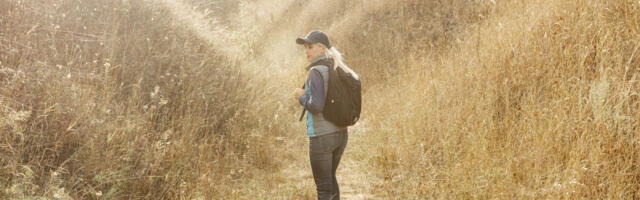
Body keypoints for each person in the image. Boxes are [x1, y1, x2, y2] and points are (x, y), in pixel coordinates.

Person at [293, 30, 353, 200]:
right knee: (330, 181)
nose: (306, 51)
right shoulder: (336, 66)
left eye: (310, 47)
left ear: (322, 48)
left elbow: (316, 105)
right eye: (305, 48)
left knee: (323, 189)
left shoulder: (316, 71)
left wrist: (301, 96)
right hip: (341, 134)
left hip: (321, 138)